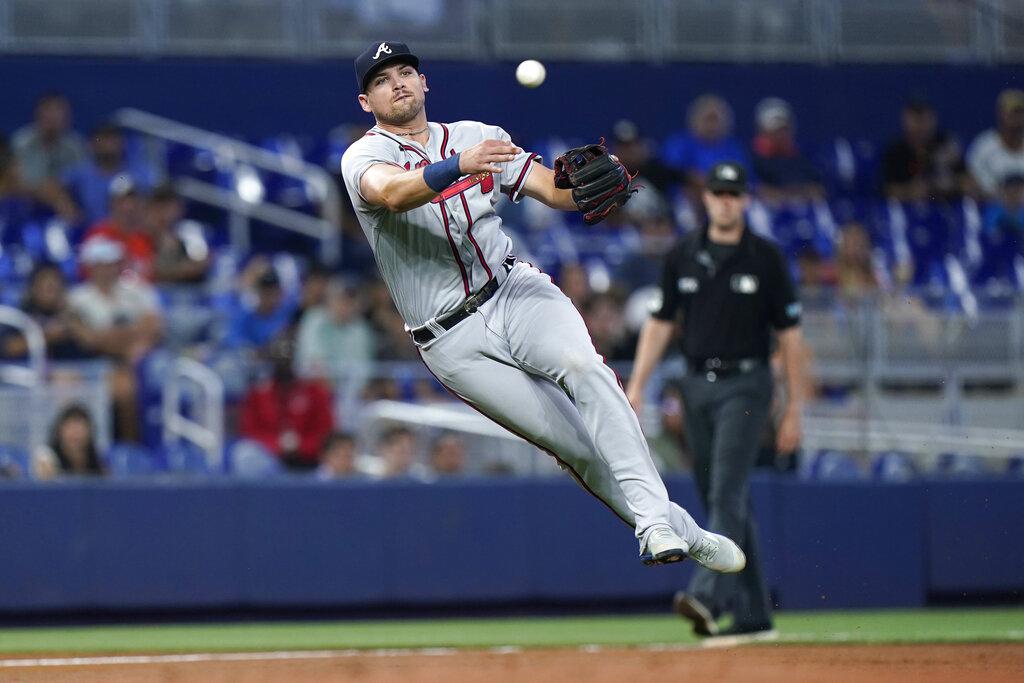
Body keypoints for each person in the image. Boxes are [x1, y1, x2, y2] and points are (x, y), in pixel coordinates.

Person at [339, 40, 744, 571]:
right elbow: (392, 193)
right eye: (382, 78)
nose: (398, 82)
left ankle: (651, 521)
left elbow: (551, 190)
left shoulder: (477, 136)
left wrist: (587, 188)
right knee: (572, 446)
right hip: (449, 338)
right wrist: (459, 165)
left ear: (425, 81)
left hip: (514, 291)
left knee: (584, 367)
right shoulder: (364, 156)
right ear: (366, 102)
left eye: (406, 71)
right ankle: (681, 528)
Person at [626, 162, 807, 642]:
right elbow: (661, 320)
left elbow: (790, 338)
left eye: (734, 193)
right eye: (718, 193)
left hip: (747, 384)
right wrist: (638, 384)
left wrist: (794, 407)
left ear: (746, 200)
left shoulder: (765, 258)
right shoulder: (683, 253)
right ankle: (753, 615)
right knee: (722, 497)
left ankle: (707, 594)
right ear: (705, 199)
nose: (726, 201)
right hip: (694, 385)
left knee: (726, 489)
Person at [238, 339, 335, 470]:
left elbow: (326, 431)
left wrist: (300, 445)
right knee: (245, 453)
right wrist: (278, 444)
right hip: (270, 458)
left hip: (310, 458)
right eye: (279, 361)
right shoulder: (259, 393)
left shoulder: (315, 392)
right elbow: (250, 431)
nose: (284, 366)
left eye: (288, 361)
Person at [881, 96, 966, 203]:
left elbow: (968, 183)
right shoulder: (896, 151)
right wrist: (910, 191)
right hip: (907, 211)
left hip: (946, 209)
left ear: (933, 119)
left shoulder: (946, 144)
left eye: (924, 118)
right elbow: (887, 190)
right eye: (915, 119)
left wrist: (953, 183)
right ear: (905, 119)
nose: (920, 125)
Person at [750, 97, 823, 202]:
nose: (780, 135)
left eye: (784, 129)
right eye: (775, 130)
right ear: (762, 131)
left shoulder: (801, 157)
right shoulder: (751, 158)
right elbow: (758, 190)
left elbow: (817, 189)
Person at [11, 93, 87, 189]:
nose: (52, 116)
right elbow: (14, 178)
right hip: (26, 195)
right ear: (37, 115)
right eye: (48, 110)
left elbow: (83, 180)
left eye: (58, 110)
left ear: (68, 117)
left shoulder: (76, 146)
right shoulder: (21, 141)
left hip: (64, 195)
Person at [967, 89, 1024, 199]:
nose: (1018, 118)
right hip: (991, 209)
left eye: (1021, 113)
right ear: (1001, 113)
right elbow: (971, 183)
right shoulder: (983, 146)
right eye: (1013, 112)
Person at [31, 403, 105, 479]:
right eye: (70, 429)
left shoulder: (97, 459)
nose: (75, 435)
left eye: (80, 430)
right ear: (59, 431)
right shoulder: (47, 455)